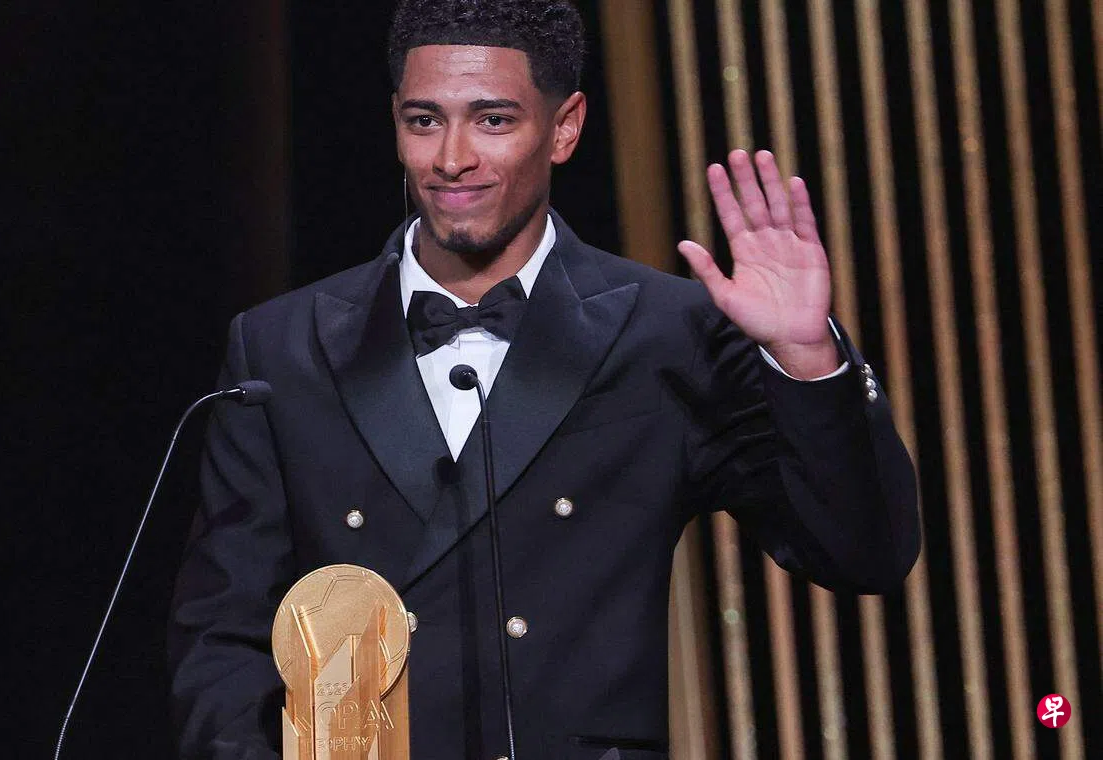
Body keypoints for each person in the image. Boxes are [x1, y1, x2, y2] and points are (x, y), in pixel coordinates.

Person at [168, 1, 920, 758]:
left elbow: (863, 553)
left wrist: (807, 359)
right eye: (425, 121)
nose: (452, 158)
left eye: (493, 120)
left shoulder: (666, 334)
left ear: (565, 128)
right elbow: (221, 640)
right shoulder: (282, 348)